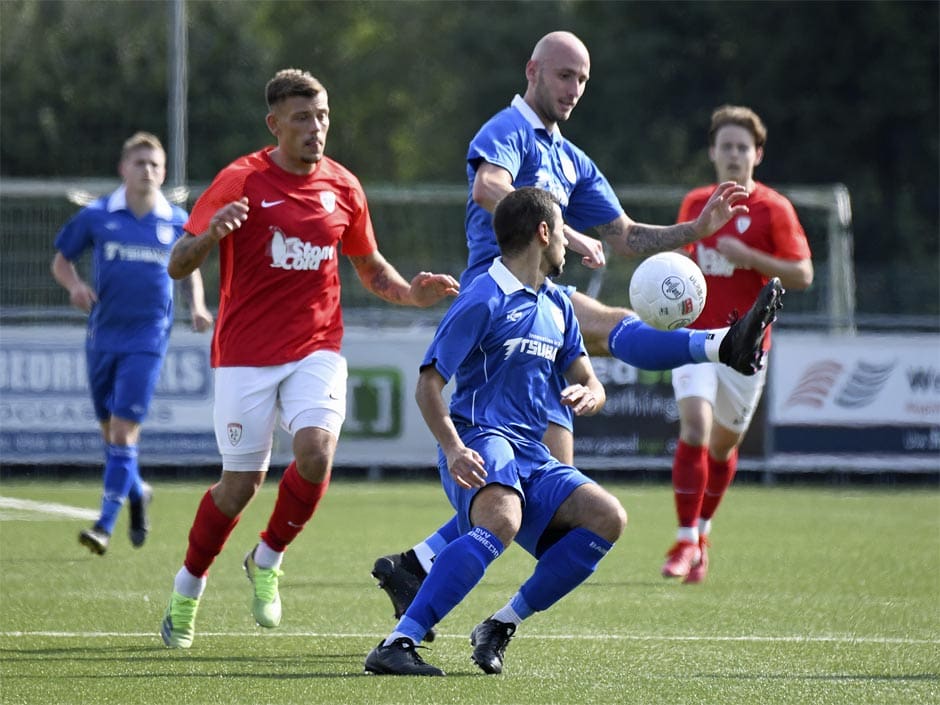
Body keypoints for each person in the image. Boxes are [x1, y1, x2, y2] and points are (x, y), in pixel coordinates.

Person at [370, 30, 784, 631]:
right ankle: (722, 343)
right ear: (533, 70)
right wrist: (554, 224)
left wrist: (697, 228)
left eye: (583, 79)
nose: (573, 89)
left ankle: (420, 563)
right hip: (506, 299)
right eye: (564, 75)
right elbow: (488, 187)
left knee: (548, 490)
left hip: (545, 298)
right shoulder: (507, 130)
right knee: (544, 484)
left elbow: (627, 235)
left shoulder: (571, 157)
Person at [158, 68, 459, 649]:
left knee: (316, 454)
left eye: (321, 116)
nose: (315, 128)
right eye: (302, 118)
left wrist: (411, 294)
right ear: (275, 124)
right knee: (239, 485)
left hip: (315, 347)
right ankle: (187, 586)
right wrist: (209, 236)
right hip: (244, 353)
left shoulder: (344, 186)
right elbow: (177, 263)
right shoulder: (241, 179)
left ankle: (267, 558)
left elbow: (370, 269)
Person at [365, 187, 626, 676]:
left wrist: (593, 392)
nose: (569, 243)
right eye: (562, 230)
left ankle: (500, 625)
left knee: (607, 517)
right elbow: (428, 386)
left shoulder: (558, 305)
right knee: (501, 520)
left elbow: (587, 376)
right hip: (480, 436)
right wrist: (454, 448)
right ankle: (398, 642)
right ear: (543, 233)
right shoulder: (482, 297)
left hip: (531, 451)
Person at [661, 105, 812, 583]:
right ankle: (685, 541)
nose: (733, 154)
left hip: (745, 347)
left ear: (757, 154)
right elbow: (678, 267)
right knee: (694, 428)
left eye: (741, 147)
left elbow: (803, 274)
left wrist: (749, 256)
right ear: (712, 152)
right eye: (724, 146)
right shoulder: (696, 204)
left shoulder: (775, 210)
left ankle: (702, 533)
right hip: (696, 338)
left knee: (722, 450)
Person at [51, 131, 213, 556]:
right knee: (112, 436)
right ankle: (138, 492)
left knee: (123, 432)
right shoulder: (98, 215)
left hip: (148, 338)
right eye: (139, 163)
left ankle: (103, 525)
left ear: (162, 173)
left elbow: (191, 264)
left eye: (155, 165)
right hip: (102, 336)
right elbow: (61, 259)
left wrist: (197, 304)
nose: (147, 171)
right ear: (123, 169)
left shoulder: (176, 219)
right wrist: (75, 287)